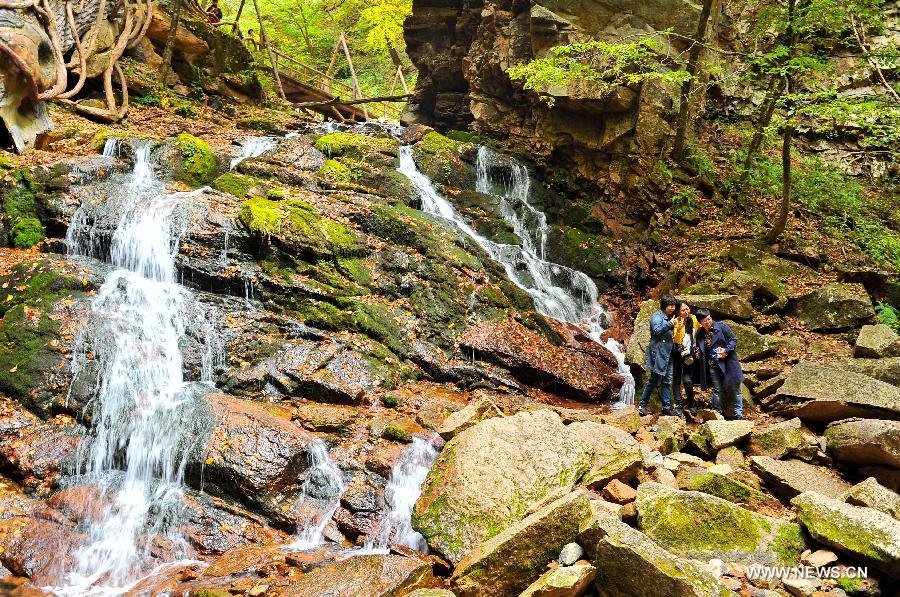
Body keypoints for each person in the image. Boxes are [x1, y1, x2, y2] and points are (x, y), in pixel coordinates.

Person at [695, 308, 745, 419]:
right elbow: (699, 347)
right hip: (713, 364)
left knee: (735, 389)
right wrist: (698, 351)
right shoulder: (700, 333)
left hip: (728, 363)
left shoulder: (722, 327)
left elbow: (733, 340)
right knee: (717, 390)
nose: (708, 322)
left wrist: (726, 350)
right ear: (700, 323)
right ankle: (717, 413)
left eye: (709, 319)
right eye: (704, 321)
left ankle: (738, 413)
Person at [637, 294, 678, 417]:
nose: (672, 308)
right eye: (670, 306)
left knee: (667, 381)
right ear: (664, 305)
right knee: (654, 380)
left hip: (669, 354)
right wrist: (670, 324)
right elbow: (656, 331)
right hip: (659, 353)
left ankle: (666, 407)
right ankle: (642, 404)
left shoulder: (669, 317)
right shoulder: (657, 316)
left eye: (673, 306)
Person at [672, 300, 700, 416]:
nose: (686, 312)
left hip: (690, 354)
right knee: (676, 379)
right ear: (678, 312)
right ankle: (678, 404)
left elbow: (700, 330)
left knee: (687, 380)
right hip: (677, 354)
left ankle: (691, 403)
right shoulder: (676, 321)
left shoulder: (693, 319)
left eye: (687, 309)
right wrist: (679, 329)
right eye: (683, 310)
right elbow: (676, 340)